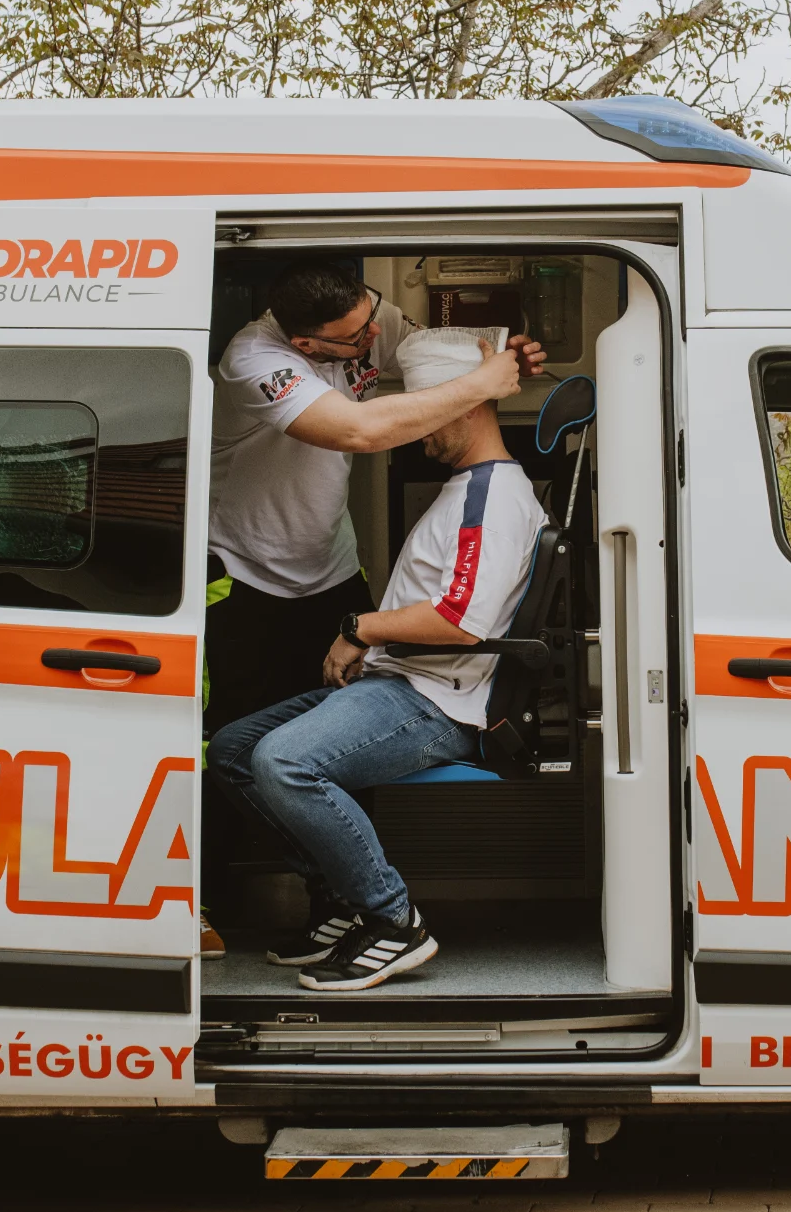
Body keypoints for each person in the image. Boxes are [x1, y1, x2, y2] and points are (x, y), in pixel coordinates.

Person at [198, 262, 541, 953]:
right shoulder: (252, 359)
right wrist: (478, 385)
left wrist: (510, 355)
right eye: (356, 340)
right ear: (307, 344)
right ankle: (213, 900)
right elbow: (357, 429)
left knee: (318, 756)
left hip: (331, 576)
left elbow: (434, 354)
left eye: (372, 318)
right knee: (227, 746)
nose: (376, 339)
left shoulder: (488, 493)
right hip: (247, 576)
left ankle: (363, 908)